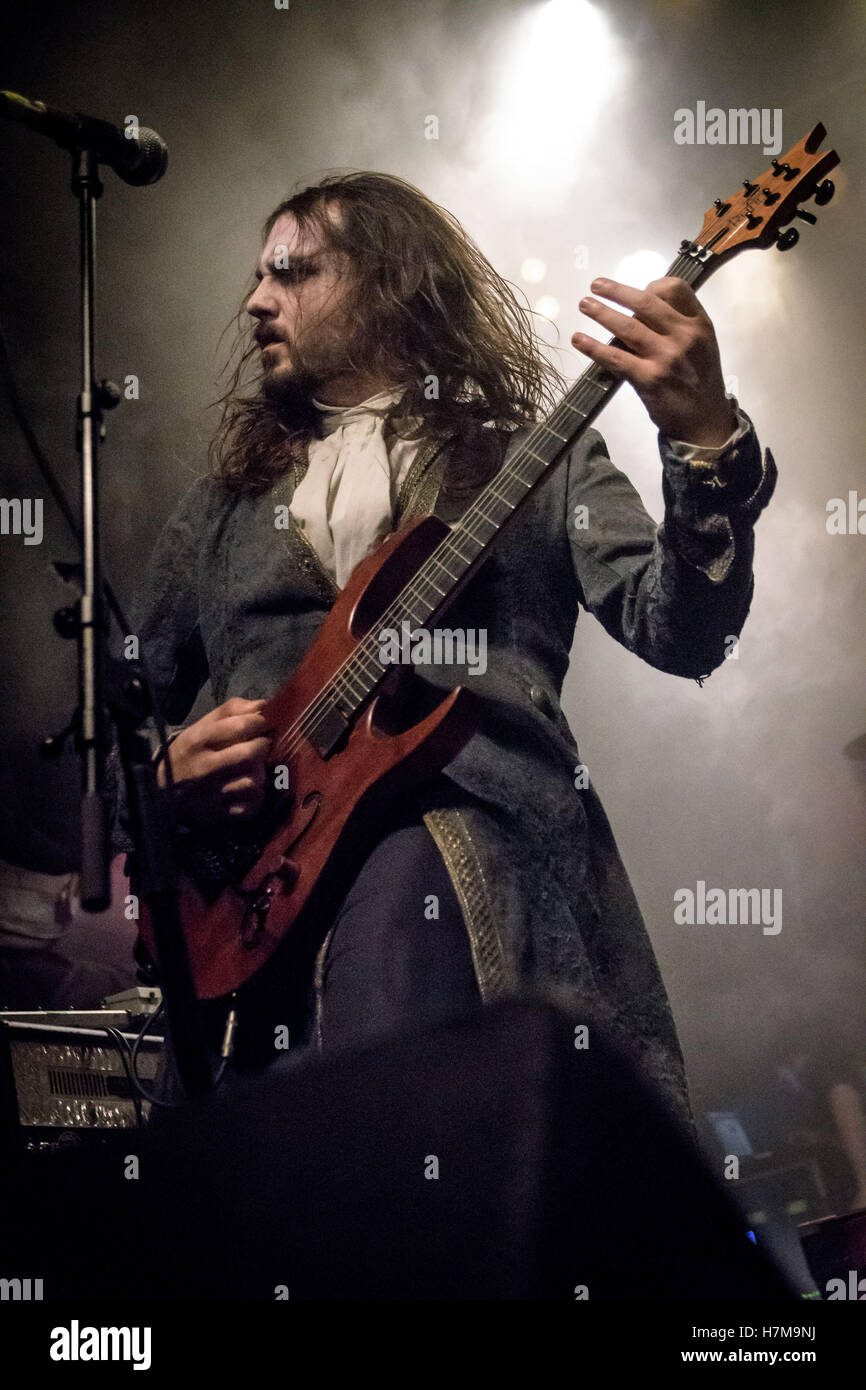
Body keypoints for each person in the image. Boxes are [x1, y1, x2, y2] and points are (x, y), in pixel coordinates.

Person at [119, 171, 776, 1126]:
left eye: (293, 273)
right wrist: (158, 777)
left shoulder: (532, 455)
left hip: (467, 852)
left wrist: (704, 440)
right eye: (259, 278)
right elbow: (114, 710)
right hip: (250, 904)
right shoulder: (222, 508)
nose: (257, 301)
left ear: (390, 282)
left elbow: (681, 632)